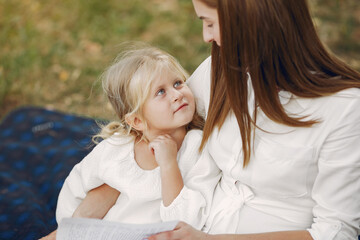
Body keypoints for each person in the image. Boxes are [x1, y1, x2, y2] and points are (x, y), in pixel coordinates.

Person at [47, 0, 360, 239]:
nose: (206, 36)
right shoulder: (223, 72)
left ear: (250, 22)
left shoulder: (344, 111)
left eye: (209, 23)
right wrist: (71, 231)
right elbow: (149, 142)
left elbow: (334, 232)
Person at [42, 45, 220, 239]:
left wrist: (169, 165)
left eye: (177, 83)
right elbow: (77, 187)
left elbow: (189, 222)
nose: (177, 94)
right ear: (137, 120)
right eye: (160, 92)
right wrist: (69, 230)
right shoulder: (119, 147)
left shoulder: (198, 147)